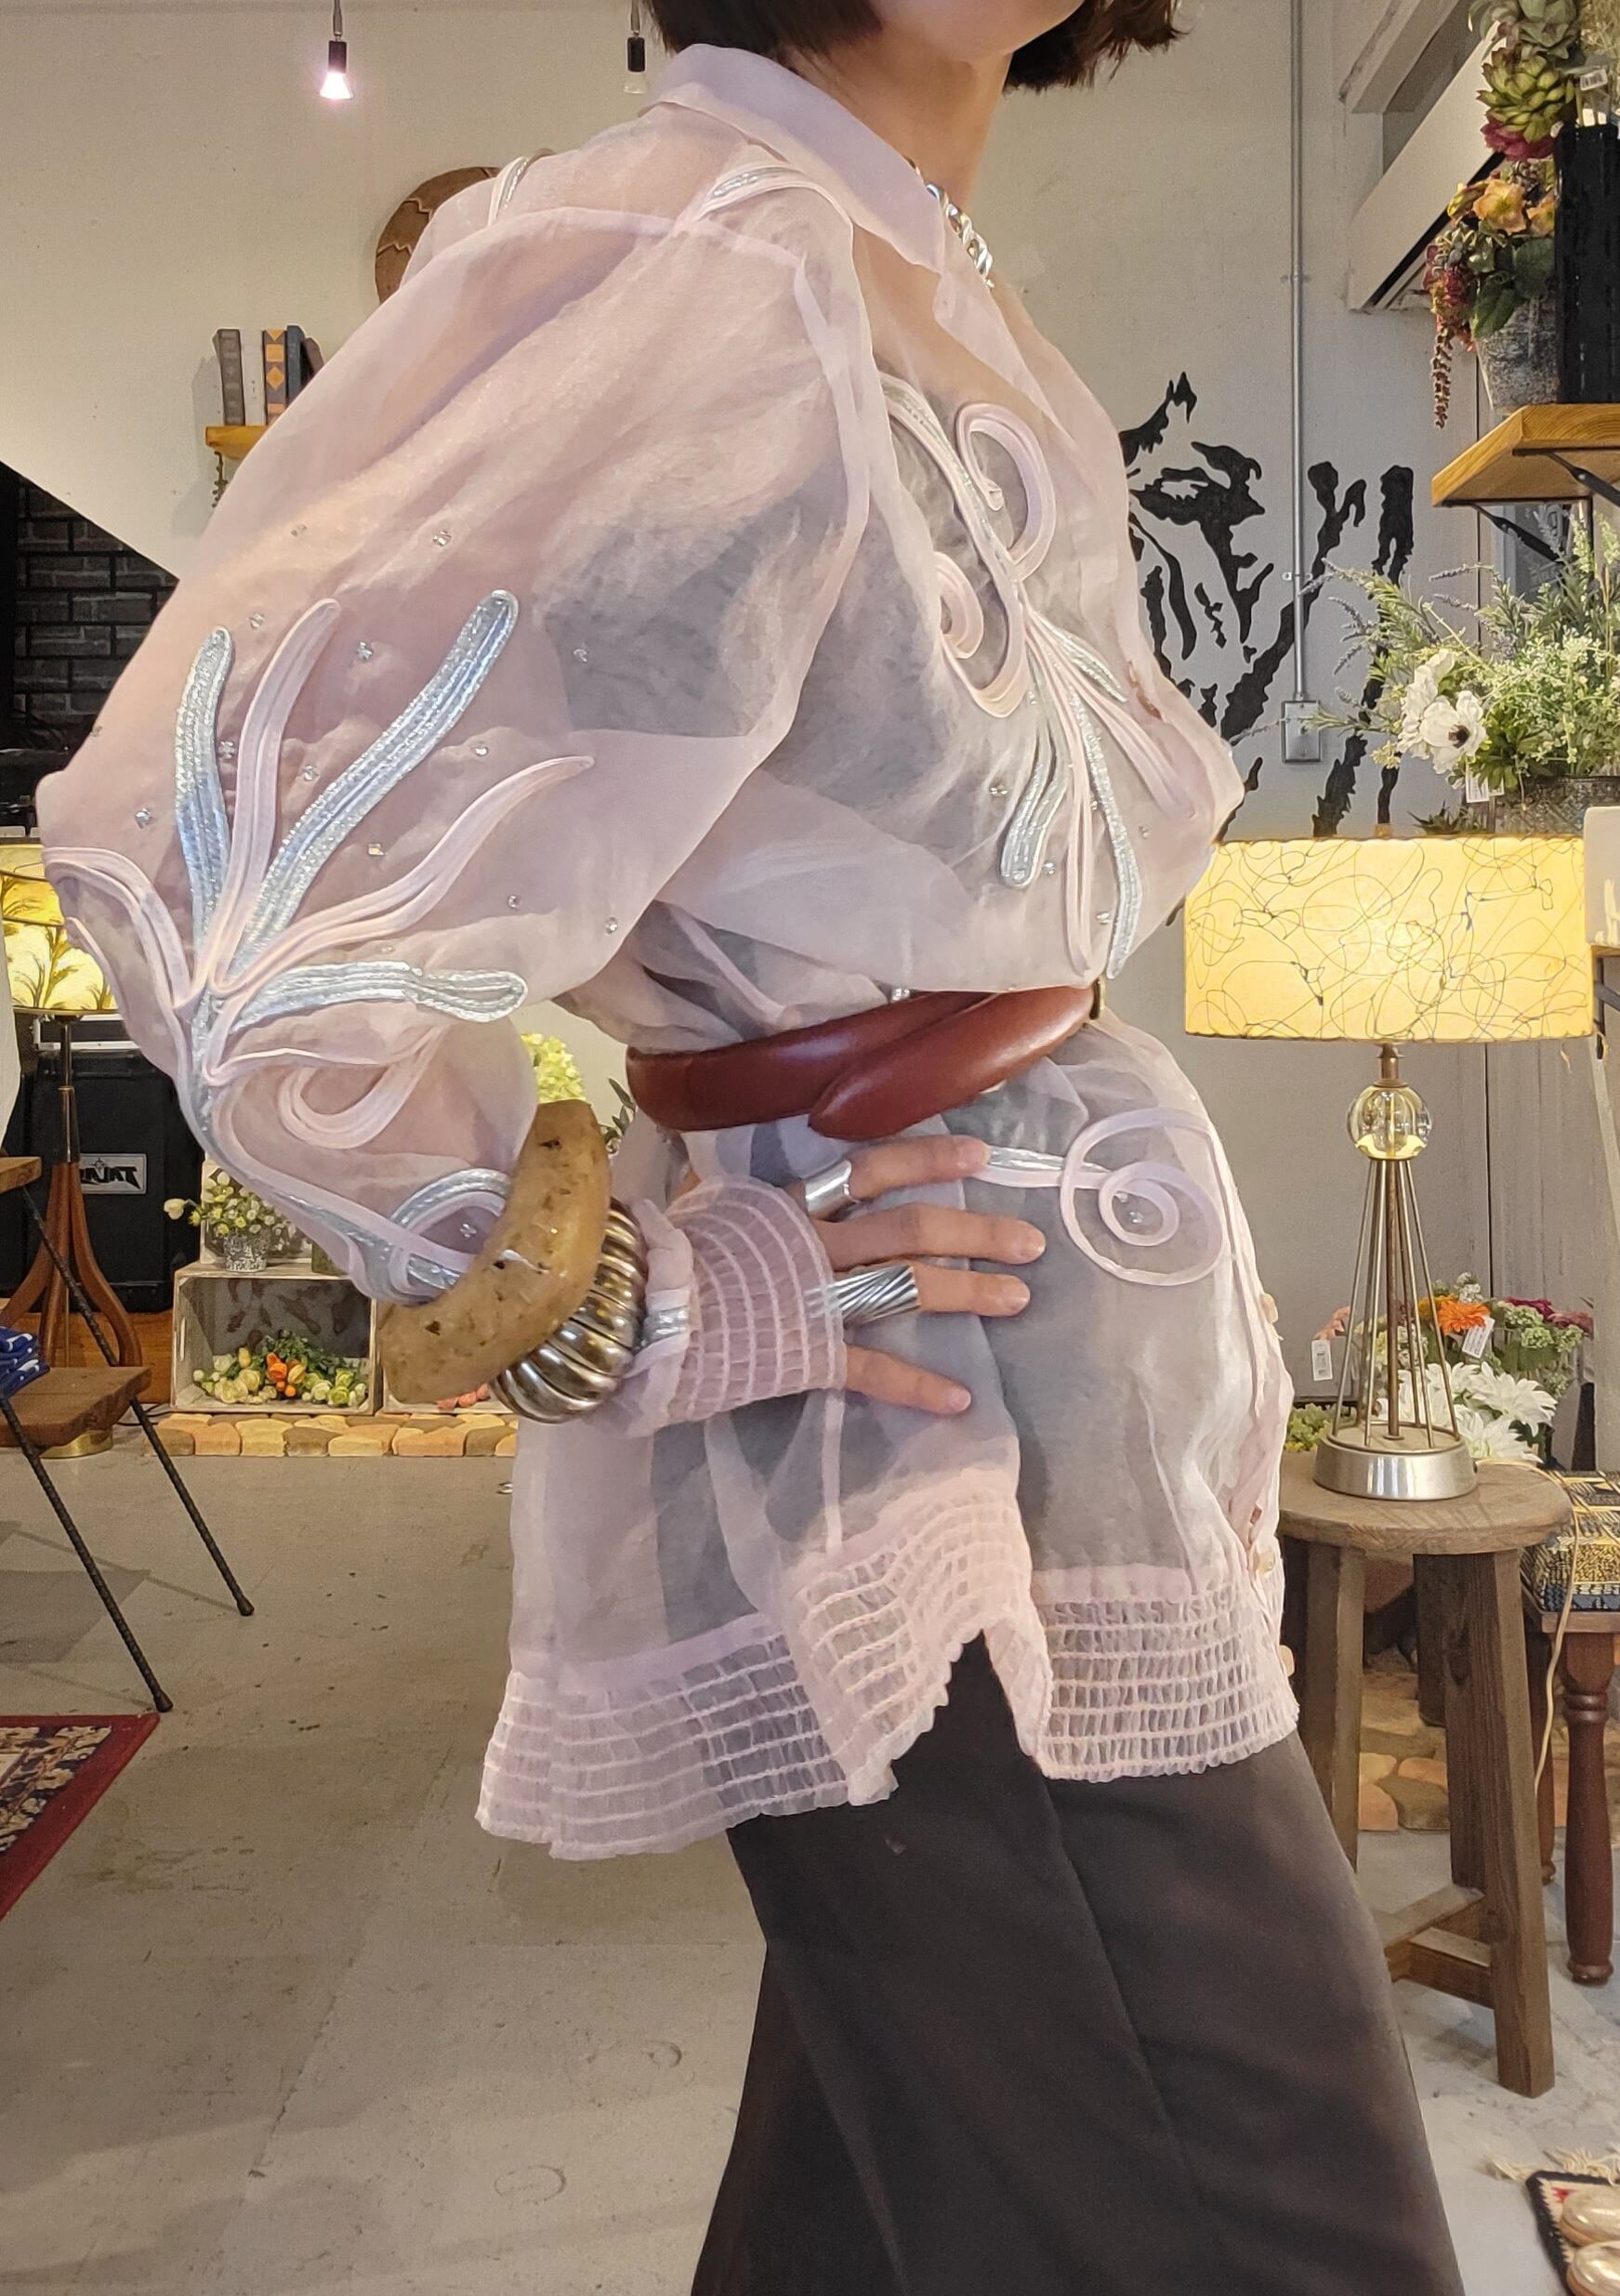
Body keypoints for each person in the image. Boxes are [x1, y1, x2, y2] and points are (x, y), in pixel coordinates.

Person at [38, 4, 1466, 2289]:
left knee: (883, 2208)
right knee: (1273, 2228)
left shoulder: (885, 259)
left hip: (1032, 1402)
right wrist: (623, 1299)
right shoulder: (696, 249)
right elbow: (209, 858)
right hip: (924, 1434)